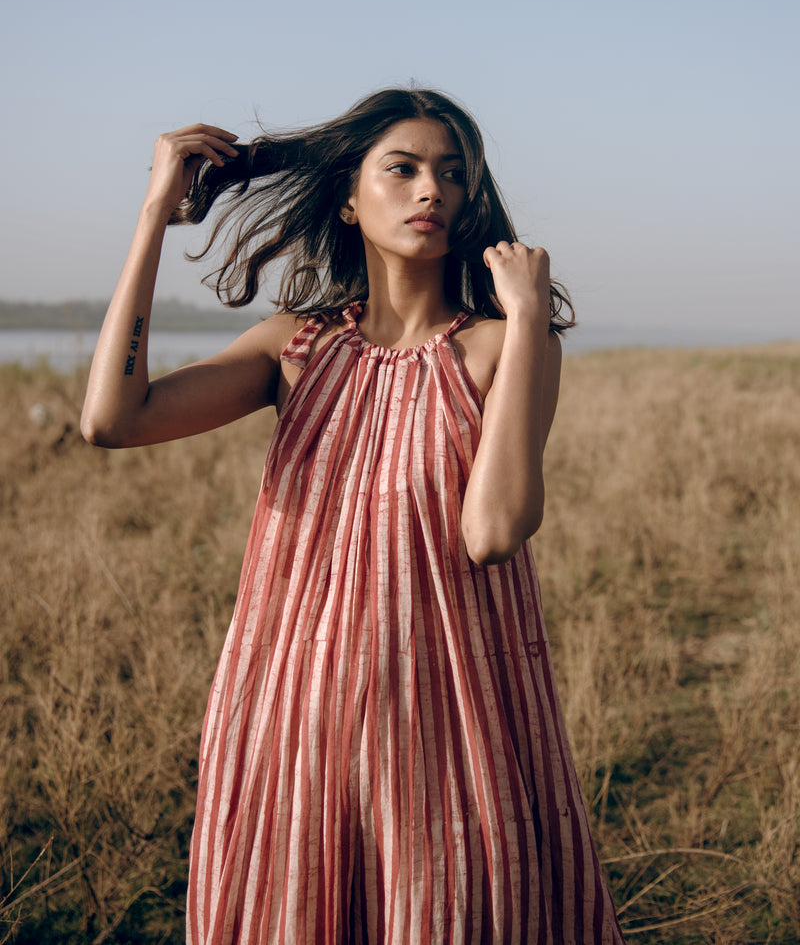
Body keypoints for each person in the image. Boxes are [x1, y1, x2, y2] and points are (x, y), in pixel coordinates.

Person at [81, 88, 625, 944]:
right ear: (347, 196)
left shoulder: (499, 345)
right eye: (402, 169)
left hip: (449, 717)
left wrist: (524, 319)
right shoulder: (296, 348)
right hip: (295, 712)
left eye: (451, 173)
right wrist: (154, 215)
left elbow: (493, 529)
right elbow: (113, 419)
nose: (430, 191)